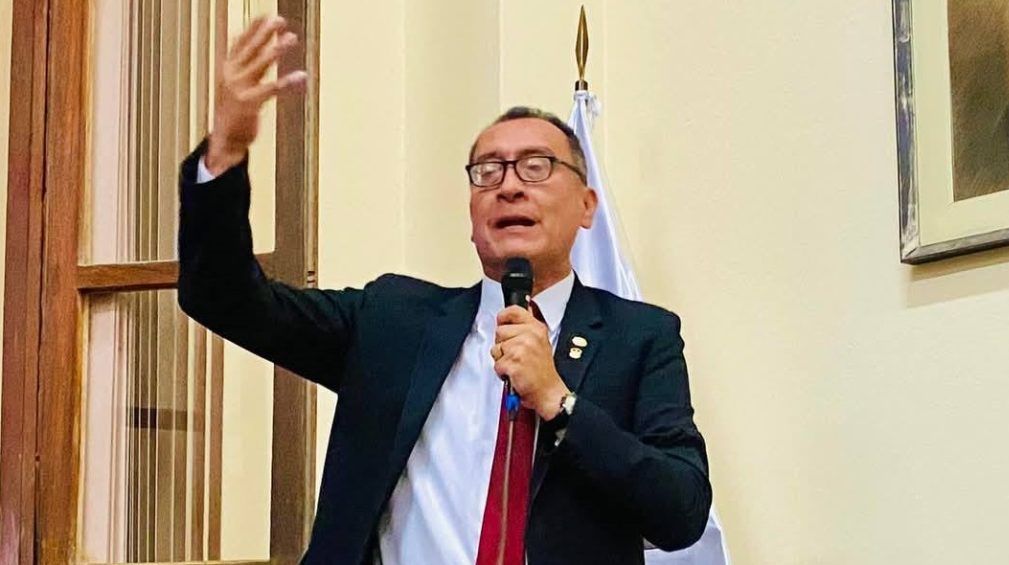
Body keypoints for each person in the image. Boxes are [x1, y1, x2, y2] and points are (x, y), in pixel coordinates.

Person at [178, 15, 711, 565]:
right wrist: (225, 152)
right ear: (472, 213)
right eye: (488, 171)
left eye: (536, 167)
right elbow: (223, 298)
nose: (509, 186)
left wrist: (559, 401)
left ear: (585, 206)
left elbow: (682, 511)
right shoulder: (393, 322)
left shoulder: (639, 338)